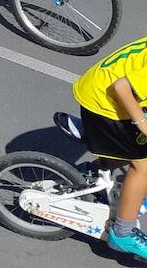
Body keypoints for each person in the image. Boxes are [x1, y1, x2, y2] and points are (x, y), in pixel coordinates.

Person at [71, 36, 147, 260]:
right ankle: (123, 233)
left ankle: (93, 173)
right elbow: (122, 86)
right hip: (105, 103)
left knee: (128, 148)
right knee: (143, 166)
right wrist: (142, 123)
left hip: (101, 87)